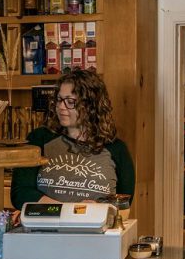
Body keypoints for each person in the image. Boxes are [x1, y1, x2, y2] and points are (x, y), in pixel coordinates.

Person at [11, 70, 135, 209]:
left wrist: (98, 206)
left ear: (91, 106)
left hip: (92, 228)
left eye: (70, 101)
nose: (61, 107)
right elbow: (20, 193)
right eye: (59, 100)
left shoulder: (116, 149)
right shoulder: (39, 138)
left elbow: (125, 201)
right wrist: (67, 210)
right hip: (45, 228)